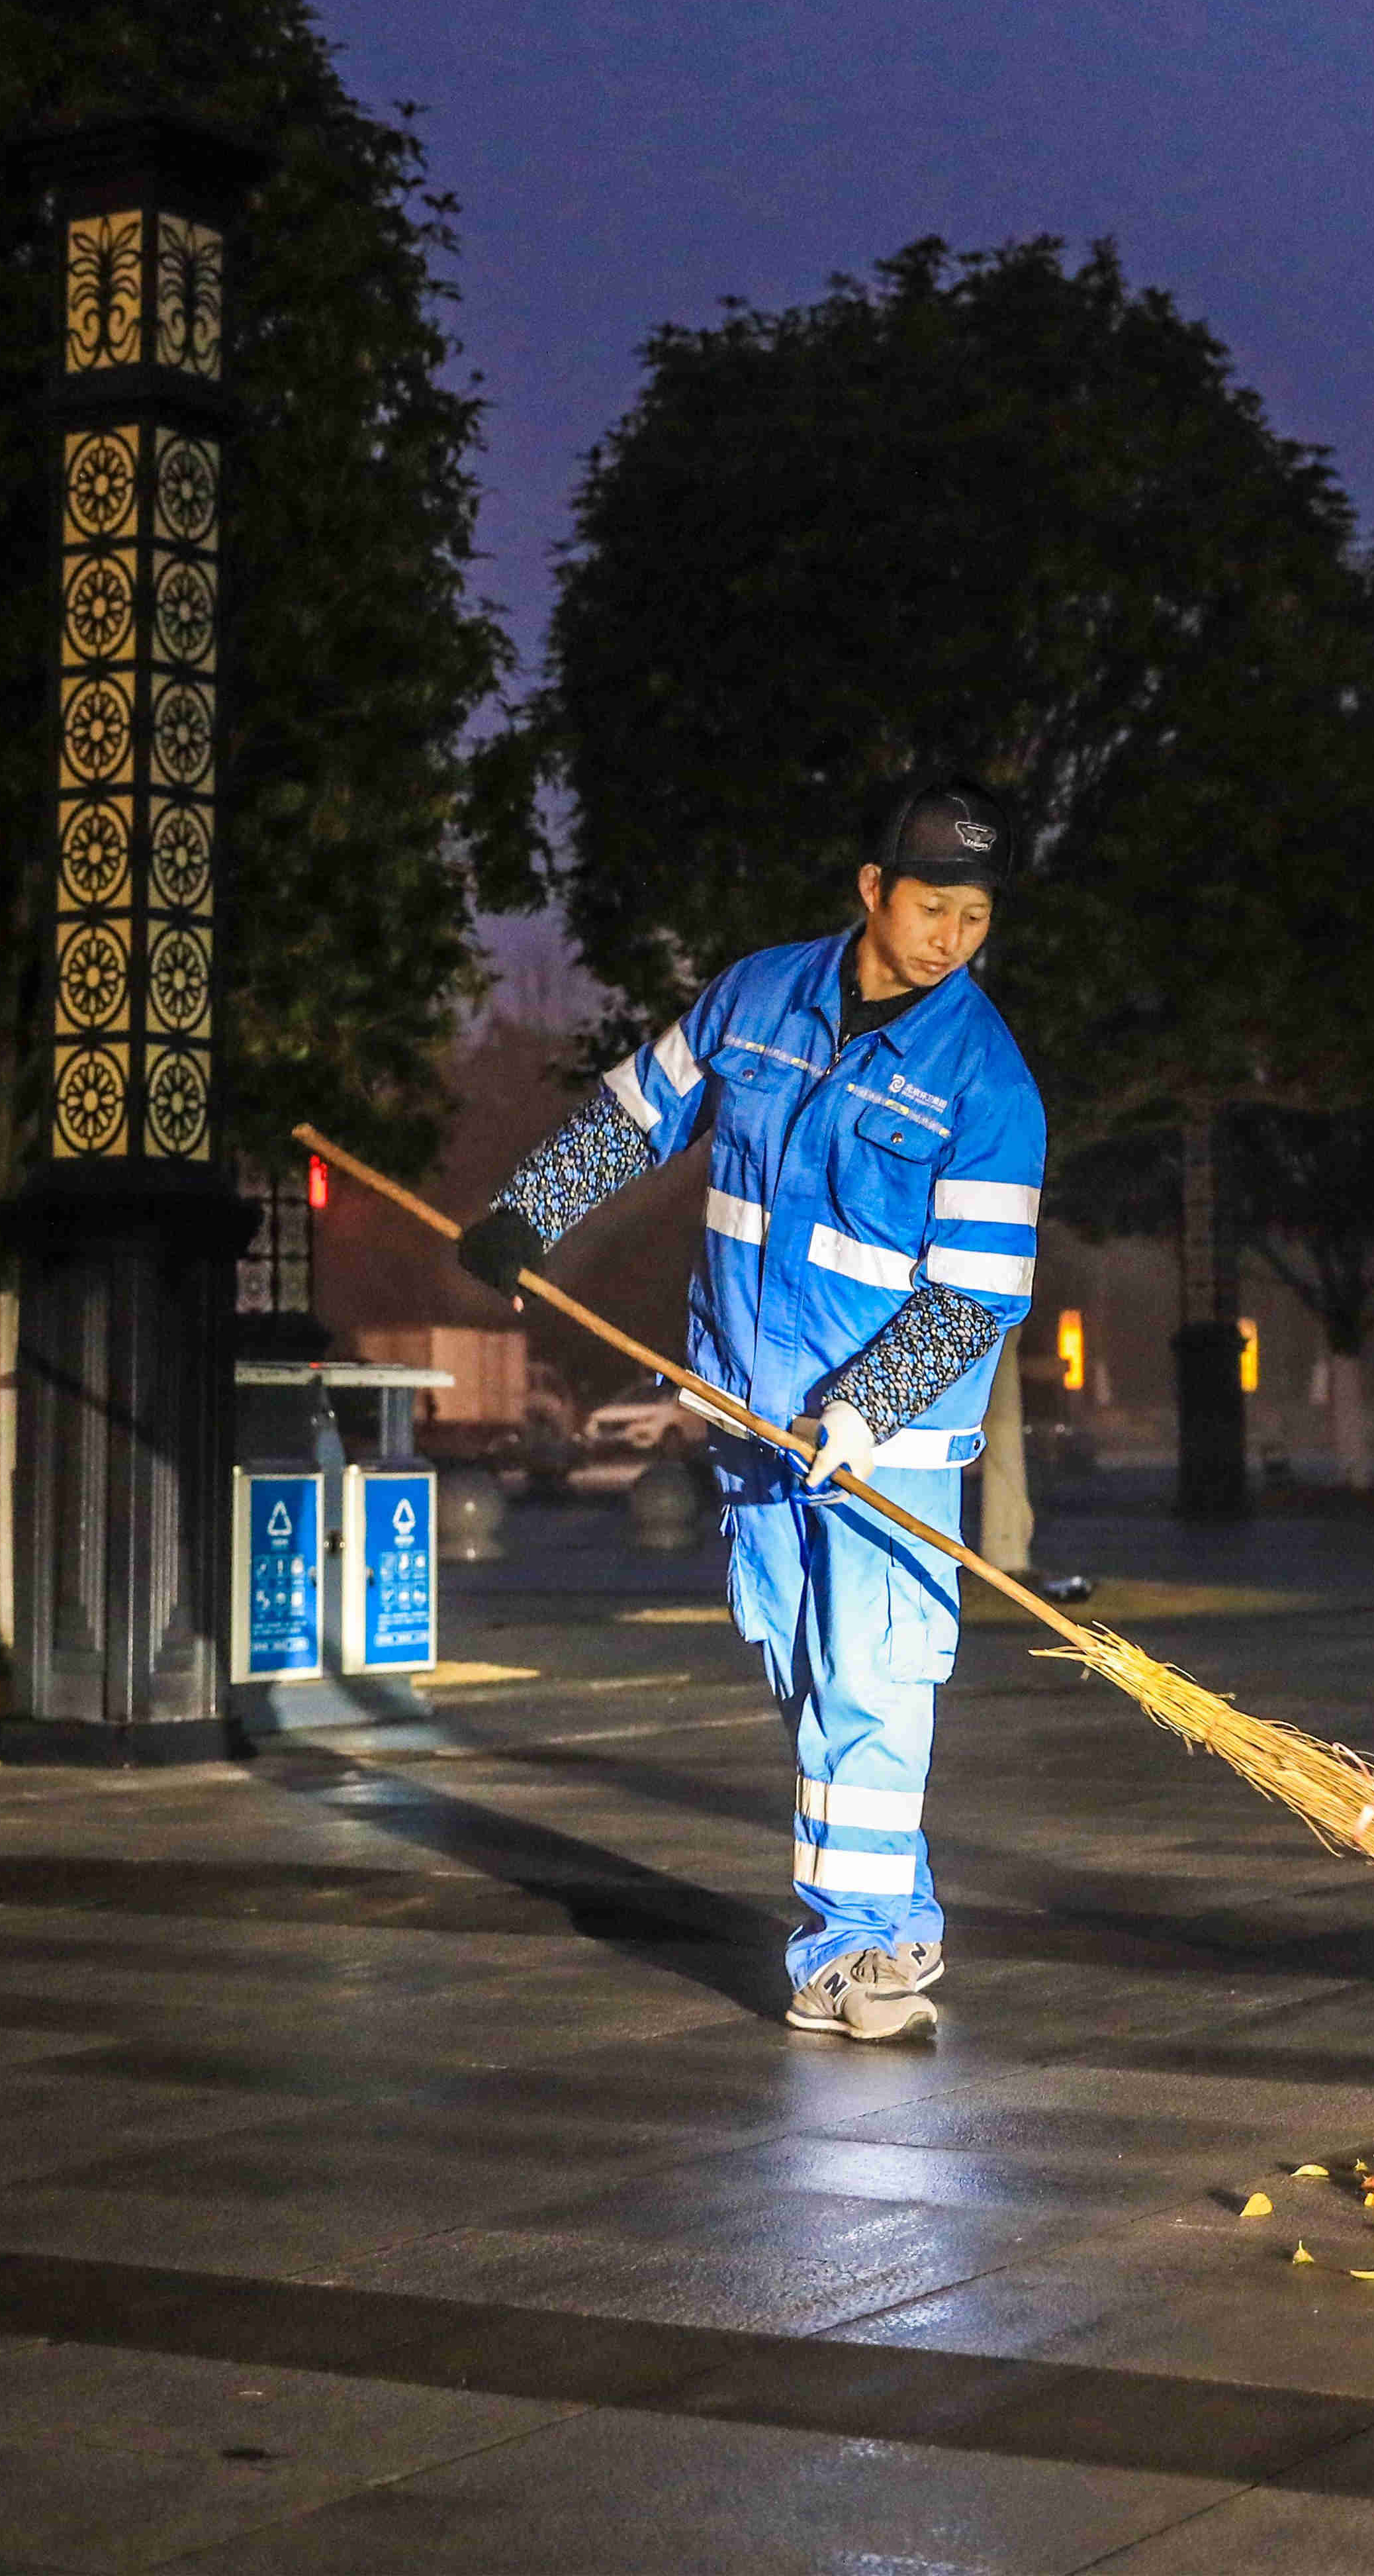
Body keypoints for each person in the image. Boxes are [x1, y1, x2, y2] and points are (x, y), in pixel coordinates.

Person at [457, 783, 1044, 2042]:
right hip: (750, 1414)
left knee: (875, 1678)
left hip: (889, 1449)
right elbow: (637, 1114)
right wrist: (530, 1213)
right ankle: (898, 1919)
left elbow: (977, 1296)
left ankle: (844, 1954)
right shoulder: (758, 997)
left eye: (977, 916)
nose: (950, 936)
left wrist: (868, 1411)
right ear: (872, 889)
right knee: (802, 1662)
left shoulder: (989, 1082)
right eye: (931, 905)